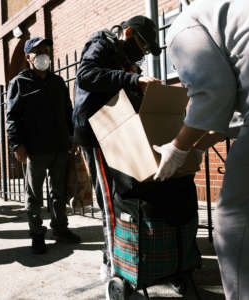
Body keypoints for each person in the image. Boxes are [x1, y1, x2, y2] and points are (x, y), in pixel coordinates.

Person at [155, 0, 249, 299]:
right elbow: (235, 105)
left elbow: (212, 93)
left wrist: (178, 147)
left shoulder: (187, 22)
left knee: (240, 235)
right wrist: (196, 144)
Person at [73, 15, 201, 287]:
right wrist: (133, 80)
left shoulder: (126, 60)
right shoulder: (101, 43)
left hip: (121, 132)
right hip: (97, 132)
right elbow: (86, 76)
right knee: (109, 200)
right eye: (142, 45)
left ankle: (133, 254)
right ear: (128, 32)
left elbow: (125, 91)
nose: (143, 53)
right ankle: (112, 262)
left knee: (125, 197)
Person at [6, 37, 80, 255]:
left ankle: (60, 228)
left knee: (59, 192)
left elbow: (68, 111)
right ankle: (37, 234)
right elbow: (12, 117)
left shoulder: (57, 82)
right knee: (34, 195)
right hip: (34, 149)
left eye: (46, 50)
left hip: (59, 146)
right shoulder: (19, 82)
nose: (43, 54)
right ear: (28, 57)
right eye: (37, 51)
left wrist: (72, 138)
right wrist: (17, 144)